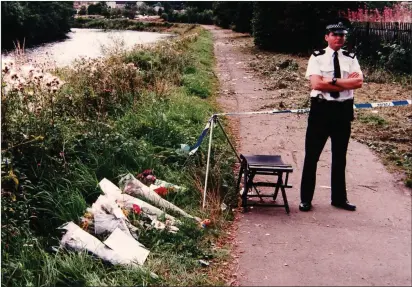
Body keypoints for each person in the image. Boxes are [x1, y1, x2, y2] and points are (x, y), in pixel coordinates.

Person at [299, 21, 363, 212]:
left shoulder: (351, 57)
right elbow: (317, 84)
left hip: (343, 111)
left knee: (340, 157)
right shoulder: (317, 57)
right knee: (312, 156)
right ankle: (306, 199)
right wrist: (345, 83)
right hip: (321, 110)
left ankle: (339, 199)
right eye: (335, 35)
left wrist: (333, 80)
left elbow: (358, 82)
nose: (339, 38)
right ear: (327, 37)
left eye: (342, 35)